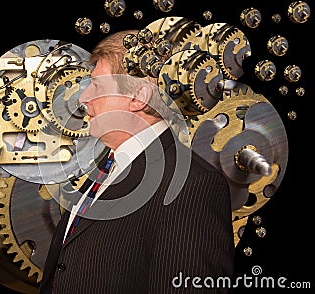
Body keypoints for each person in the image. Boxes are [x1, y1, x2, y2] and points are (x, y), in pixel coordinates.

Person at [39, 29, 235, 293]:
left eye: (96, 86)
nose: (84, 98)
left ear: (138, 97)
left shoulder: (191, 185)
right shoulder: (106, 167)